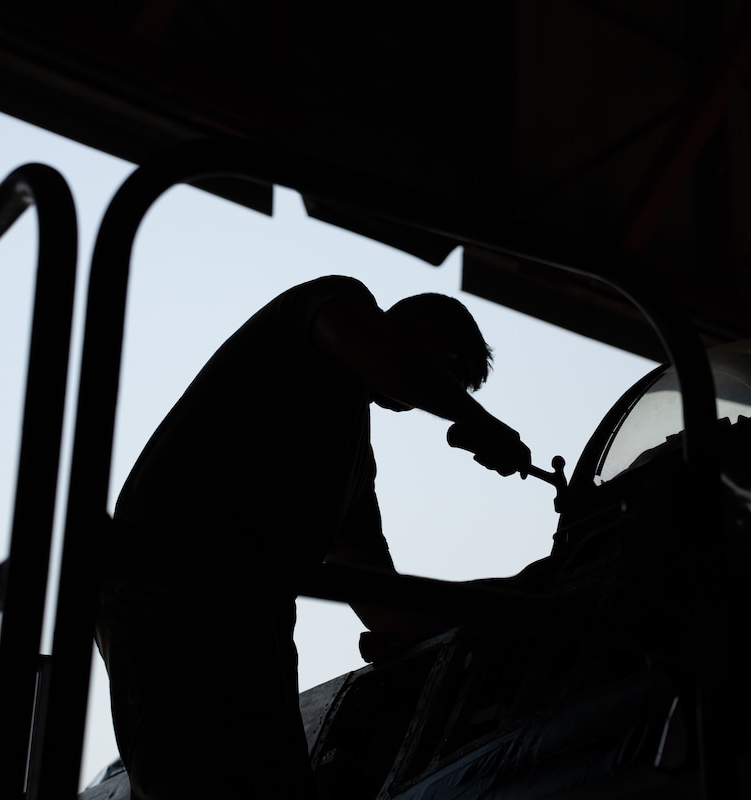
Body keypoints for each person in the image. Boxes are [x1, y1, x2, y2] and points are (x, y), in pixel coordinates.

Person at [95, 275, 531, 800]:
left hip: (254, 624)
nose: (441, 393)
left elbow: (383, 602)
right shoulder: (333, 302)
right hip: (167, 595)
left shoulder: (350, 468)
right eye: (451, 370)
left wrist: (514, 596)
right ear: (410, 325)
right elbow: (358, 339)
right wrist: (476, 420)